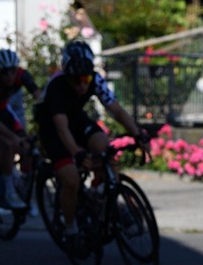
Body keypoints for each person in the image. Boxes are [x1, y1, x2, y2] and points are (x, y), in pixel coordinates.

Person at [35, 41, 144, 243]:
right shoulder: (56, 87)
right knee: (72, 180)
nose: (82, 86)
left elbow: (116, 110)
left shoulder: (94, 79)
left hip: (76, 119)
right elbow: (61, 128)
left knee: (105, 149)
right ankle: (71, 229)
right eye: (76, 80)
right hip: (53, 128)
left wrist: (137, 133)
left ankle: (102, 195)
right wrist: (77, 153)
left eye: (85, 79)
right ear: (66, 75)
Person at [0, 49, 42, 210]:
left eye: (12, 71)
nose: (10, 76)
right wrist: (13, 138)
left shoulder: (22, 75)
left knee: (27, 145)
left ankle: (24, 186)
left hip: (5, 109)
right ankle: (9, 190)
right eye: (4, 73)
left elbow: (38, 95)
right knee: (8, 144)